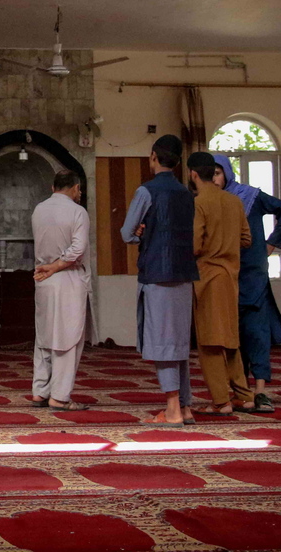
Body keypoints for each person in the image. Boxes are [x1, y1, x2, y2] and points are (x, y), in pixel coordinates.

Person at [121, 135, 200, 426]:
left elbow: (127, 233)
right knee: (179, 342)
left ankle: (172, 409)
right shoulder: (186, 193)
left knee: (164, 342)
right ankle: (186, 406)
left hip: (157, 273)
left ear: (153, 156)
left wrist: (139, 234)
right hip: (184, 274)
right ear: (178, 162)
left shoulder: (147, 191)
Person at [212, 153, 281, 412]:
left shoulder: (250, 196)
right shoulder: (209, 202)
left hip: (253, 275)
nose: (214, 178)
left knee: (257, 333)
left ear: (227, 172)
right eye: (210, 174)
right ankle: (241, 391)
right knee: (232, 336)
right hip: (226, 276)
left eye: (217, 173)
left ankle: (260, 392)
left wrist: (272, 244)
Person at [186, 151, 254, 415]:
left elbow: (195, 245)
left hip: (209, 278)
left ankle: (220, 401)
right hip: (231, 277)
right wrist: (227, 246)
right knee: (230, 338)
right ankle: (244, 396)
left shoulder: (199, 203)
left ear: (193, 174)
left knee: (210, 342)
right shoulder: (234, 201)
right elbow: (246, 239)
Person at [29, 170, 91, 411]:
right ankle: (60, 396)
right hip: (67, 277)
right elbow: (78, 249)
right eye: (79, 189)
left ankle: (40, 391)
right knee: (68, 338)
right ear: (75, 188)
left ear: (52, 187)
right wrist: (56, 266)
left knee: (44, 337)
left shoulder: (39, 209)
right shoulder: (78, 211)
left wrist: (49, 267)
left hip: (43, 277)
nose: (80, 193)